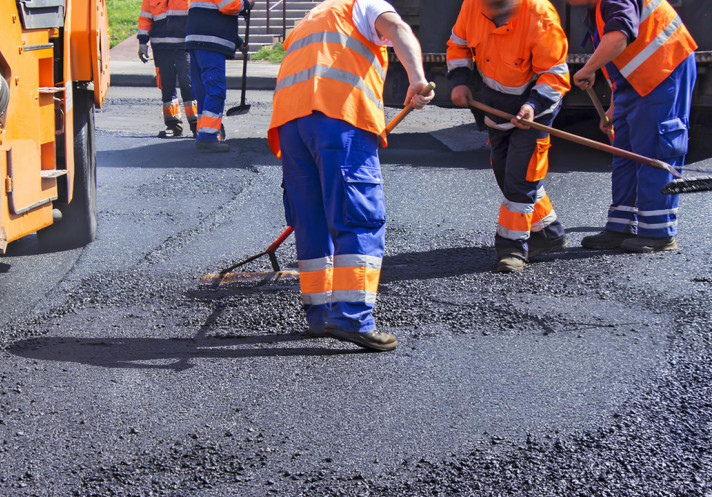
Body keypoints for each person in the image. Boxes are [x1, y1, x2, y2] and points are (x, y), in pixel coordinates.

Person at [267, 0, 434, 351]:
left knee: (311, 221)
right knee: (358, 216)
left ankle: (320, 316)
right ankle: (352, 317)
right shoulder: (365, 5)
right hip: (338, 117)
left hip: (291, 123)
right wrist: (418, 78)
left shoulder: (311, 17)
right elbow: (399, 29)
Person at [447, 0, 571, 273]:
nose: (492, 12)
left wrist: (532, 106)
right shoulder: (472, 5)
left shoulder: (540, 16)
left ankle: (512, 248)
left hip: (535, 110)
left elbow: (554, 75)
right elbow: (458, 45)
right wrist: (459, 81)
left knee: (520, 178)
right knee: (506, 173)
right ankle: (550, 232)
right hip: (494, 106)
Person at [568, 0, 697, 253]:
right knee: (625, 152)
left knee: (656, 151)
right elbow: (622, 59)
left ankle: (659, 233)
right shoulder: (596, 9)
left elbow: (619, 37)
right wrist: (616, 107)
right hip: (635, 82)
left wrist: (589, 67)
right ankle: (621, 226)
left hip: (665, 68)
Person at [185, 0, 254, 152]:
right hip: (210, 42)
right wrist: (246, 4)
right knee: (215, 89)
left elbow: (212, 15)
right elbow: (227, 5)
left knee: (203, 90)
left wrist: (237, 42)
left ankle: (203, 132)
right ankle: (208, 137)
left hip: (197, 40)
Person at [138, 0, 198, 137]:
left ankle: (196, 125)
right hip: (161, 48)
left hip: (184, 47)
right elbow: (145, 18)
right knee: (166, 85)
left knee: (188, 84)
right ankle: (173, 125)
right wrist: (142, 42)